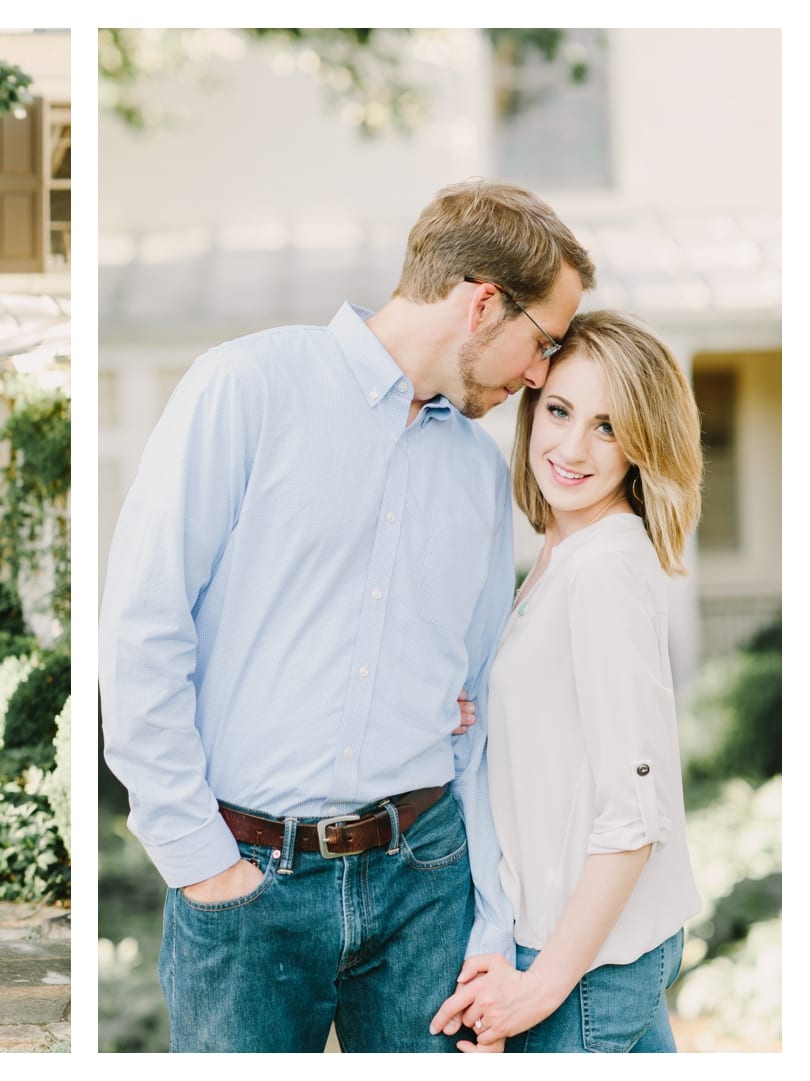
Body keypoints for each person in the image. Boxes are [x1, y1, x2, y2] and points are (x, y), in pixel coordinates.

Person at [98, 179, 595, 1052]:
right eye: (543, 341)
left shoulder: (478, 473)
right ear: (483, 302)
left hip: (425, 885)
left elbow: (474, 703)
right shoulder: (246, 386)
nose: (540, 373)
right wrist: (202, 863)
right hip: (248, 881)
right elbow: (143, 627)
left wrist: (490, 917)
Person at [429, 311, 702, 1053]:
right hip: (601, 956)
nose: (572, 447)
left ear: (643, 445)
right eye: (559, 410)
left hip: (579, 976)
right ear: (532, 407)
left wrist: (535, 986)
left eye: (609, 427)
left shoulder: (604, 567)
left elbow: (633, 816)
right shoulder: (562, 552)